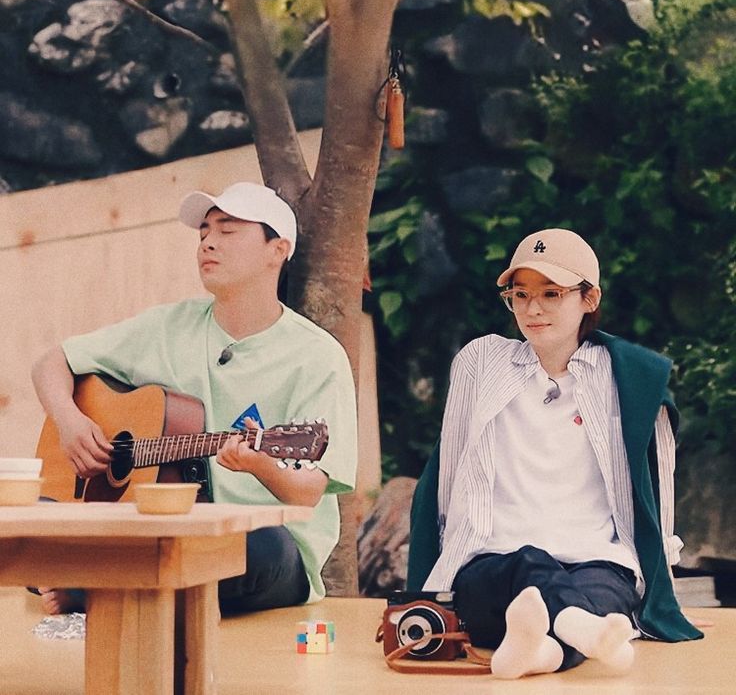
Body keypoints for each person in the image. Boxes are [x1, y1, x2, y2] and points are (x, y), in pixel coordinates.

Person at [31, 181, 357, 617]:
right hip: (158, 531)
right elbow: (51, 363)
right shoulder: (168, 326)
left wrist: (259, 463)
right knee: (26, 513)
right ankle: (95, 581)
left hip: (262, 547)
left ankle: (84, 581)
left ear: (277, 250)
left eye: (228, 230)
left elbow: (306, 494)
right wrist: (70, 422)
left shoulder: (318, 356)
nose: (208, 242)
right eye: (204, 232)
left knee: (257, 547)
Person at [408, 227, 702, 678]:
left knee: (601, 596)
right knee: (533, 570)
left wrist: (661, 579)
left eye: (551, 293)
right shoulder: (481, 362)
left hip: (596, 562)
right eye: (520, 294)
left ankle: (540, 653)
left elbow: (656, 488)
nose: (533, 308)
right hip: (493, 565)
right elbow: (450, 468)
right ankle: (575, 631)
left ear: (589, 298)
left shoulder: (626, 377)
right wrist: (441, 560)